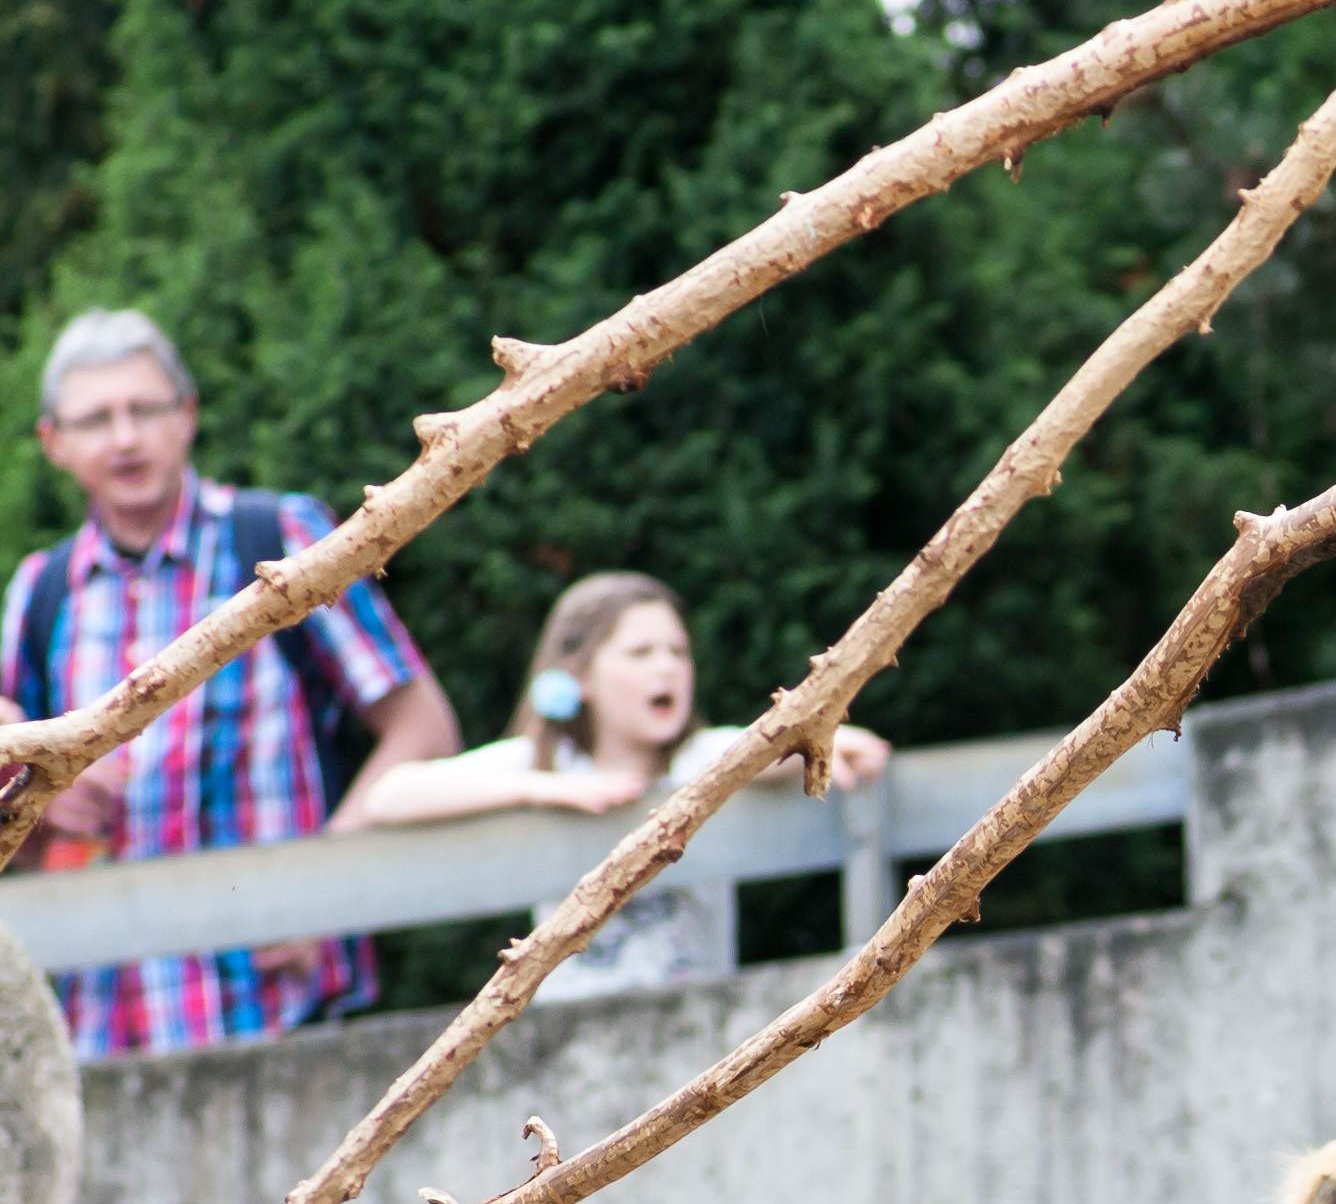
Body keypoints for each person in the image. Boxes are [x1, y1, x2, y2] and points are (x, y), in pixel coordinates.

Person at [3, 308, 460, 1057]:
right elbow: (14, 817)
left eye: (145, 409)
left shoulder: (279, 541)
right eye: (95, 419)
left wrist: (325, 888)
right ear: (54, 443)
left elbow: (423, 728)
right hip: (108, 1032)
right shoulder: (40, 592)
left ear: (187, 415)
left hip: (283, 1010)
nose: (125, 437)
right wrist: (47, 800)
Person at [350, 571, 889, 999]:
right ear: (579, 676)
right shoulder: (543, 765)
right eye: (640, 653)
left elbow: (773, 747)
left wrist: (825, 740)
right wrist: (537, 791)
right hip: (570, 1038)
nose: (666, 668)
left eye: (677, 652)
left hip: (700, 1031)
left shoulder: (704, 759)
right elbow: (389, 796)